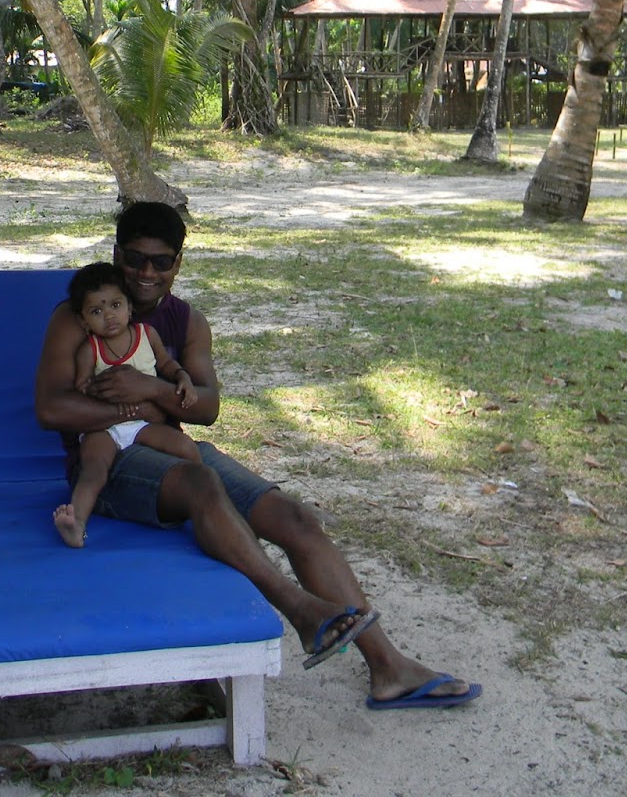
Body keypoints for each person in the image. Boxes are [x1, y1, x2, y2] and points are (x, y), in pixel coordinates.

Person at [35, 202, 480, 708]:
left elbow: (207, 408)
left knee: (295, 517)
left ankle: (389, 669)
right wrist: (136, 407)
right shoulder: (80, 316)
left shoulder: (186, 321)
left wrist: (152, 389)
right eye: (135, 259)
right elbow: (51, 408)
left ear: (179, 263)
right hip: (108, 463)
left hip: (170, 450)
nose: (146, 273)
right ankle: (299, 608)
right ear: (117, 255)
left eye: (162, 262)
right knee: (202, 483)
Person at [54, 261, 201, 548]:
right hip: (104, 428)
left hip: (141, 423)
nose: (109, 316)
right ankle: (76, 523)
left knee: (186, 447)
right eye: (96, 311)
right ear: (84, 321)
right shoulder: (90, 349)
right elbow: (81, 386)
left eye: (116, 305)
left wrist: (183, 377)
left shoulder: (147, 335)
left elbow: (166, 364)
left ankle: (199, 502)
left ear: (130, 307)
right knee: (93, 470)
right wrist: (98, 390)